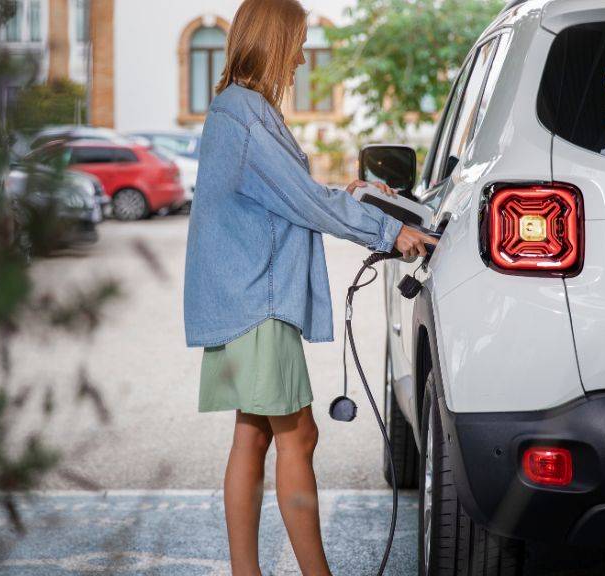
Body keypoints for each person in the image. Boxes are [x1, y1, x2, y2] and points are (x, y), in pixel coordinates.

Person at [182, 0, 437, 573]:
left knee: (253, 437)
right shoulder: (246, 115)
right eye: (296, 43)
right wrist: (391, 231)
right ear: (273, 41)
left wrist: (348, 197)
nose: (300, 57)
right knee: (299, 436)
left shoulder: (237, 109)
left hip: (243, 301)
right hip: (258, 307)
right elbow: (303, 203)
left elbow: (286, 193)